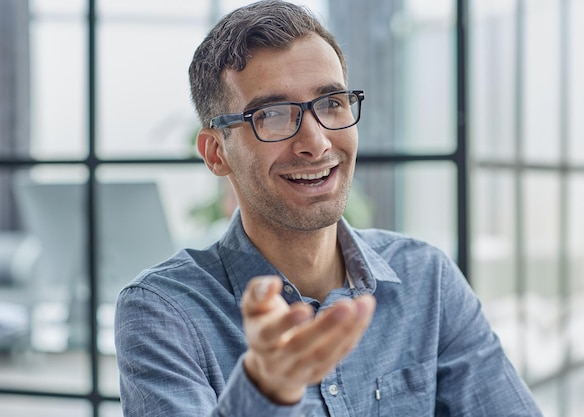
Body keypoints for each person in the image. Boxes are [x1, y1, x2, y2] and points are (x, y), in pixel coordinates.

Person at [114, 1, 543, 416]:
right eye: (273, 115)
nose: (316, 143)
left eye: (331, 104)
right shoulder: (162, 312)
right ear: (214, 152)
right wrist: (263, 391)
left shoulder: (427, 280)